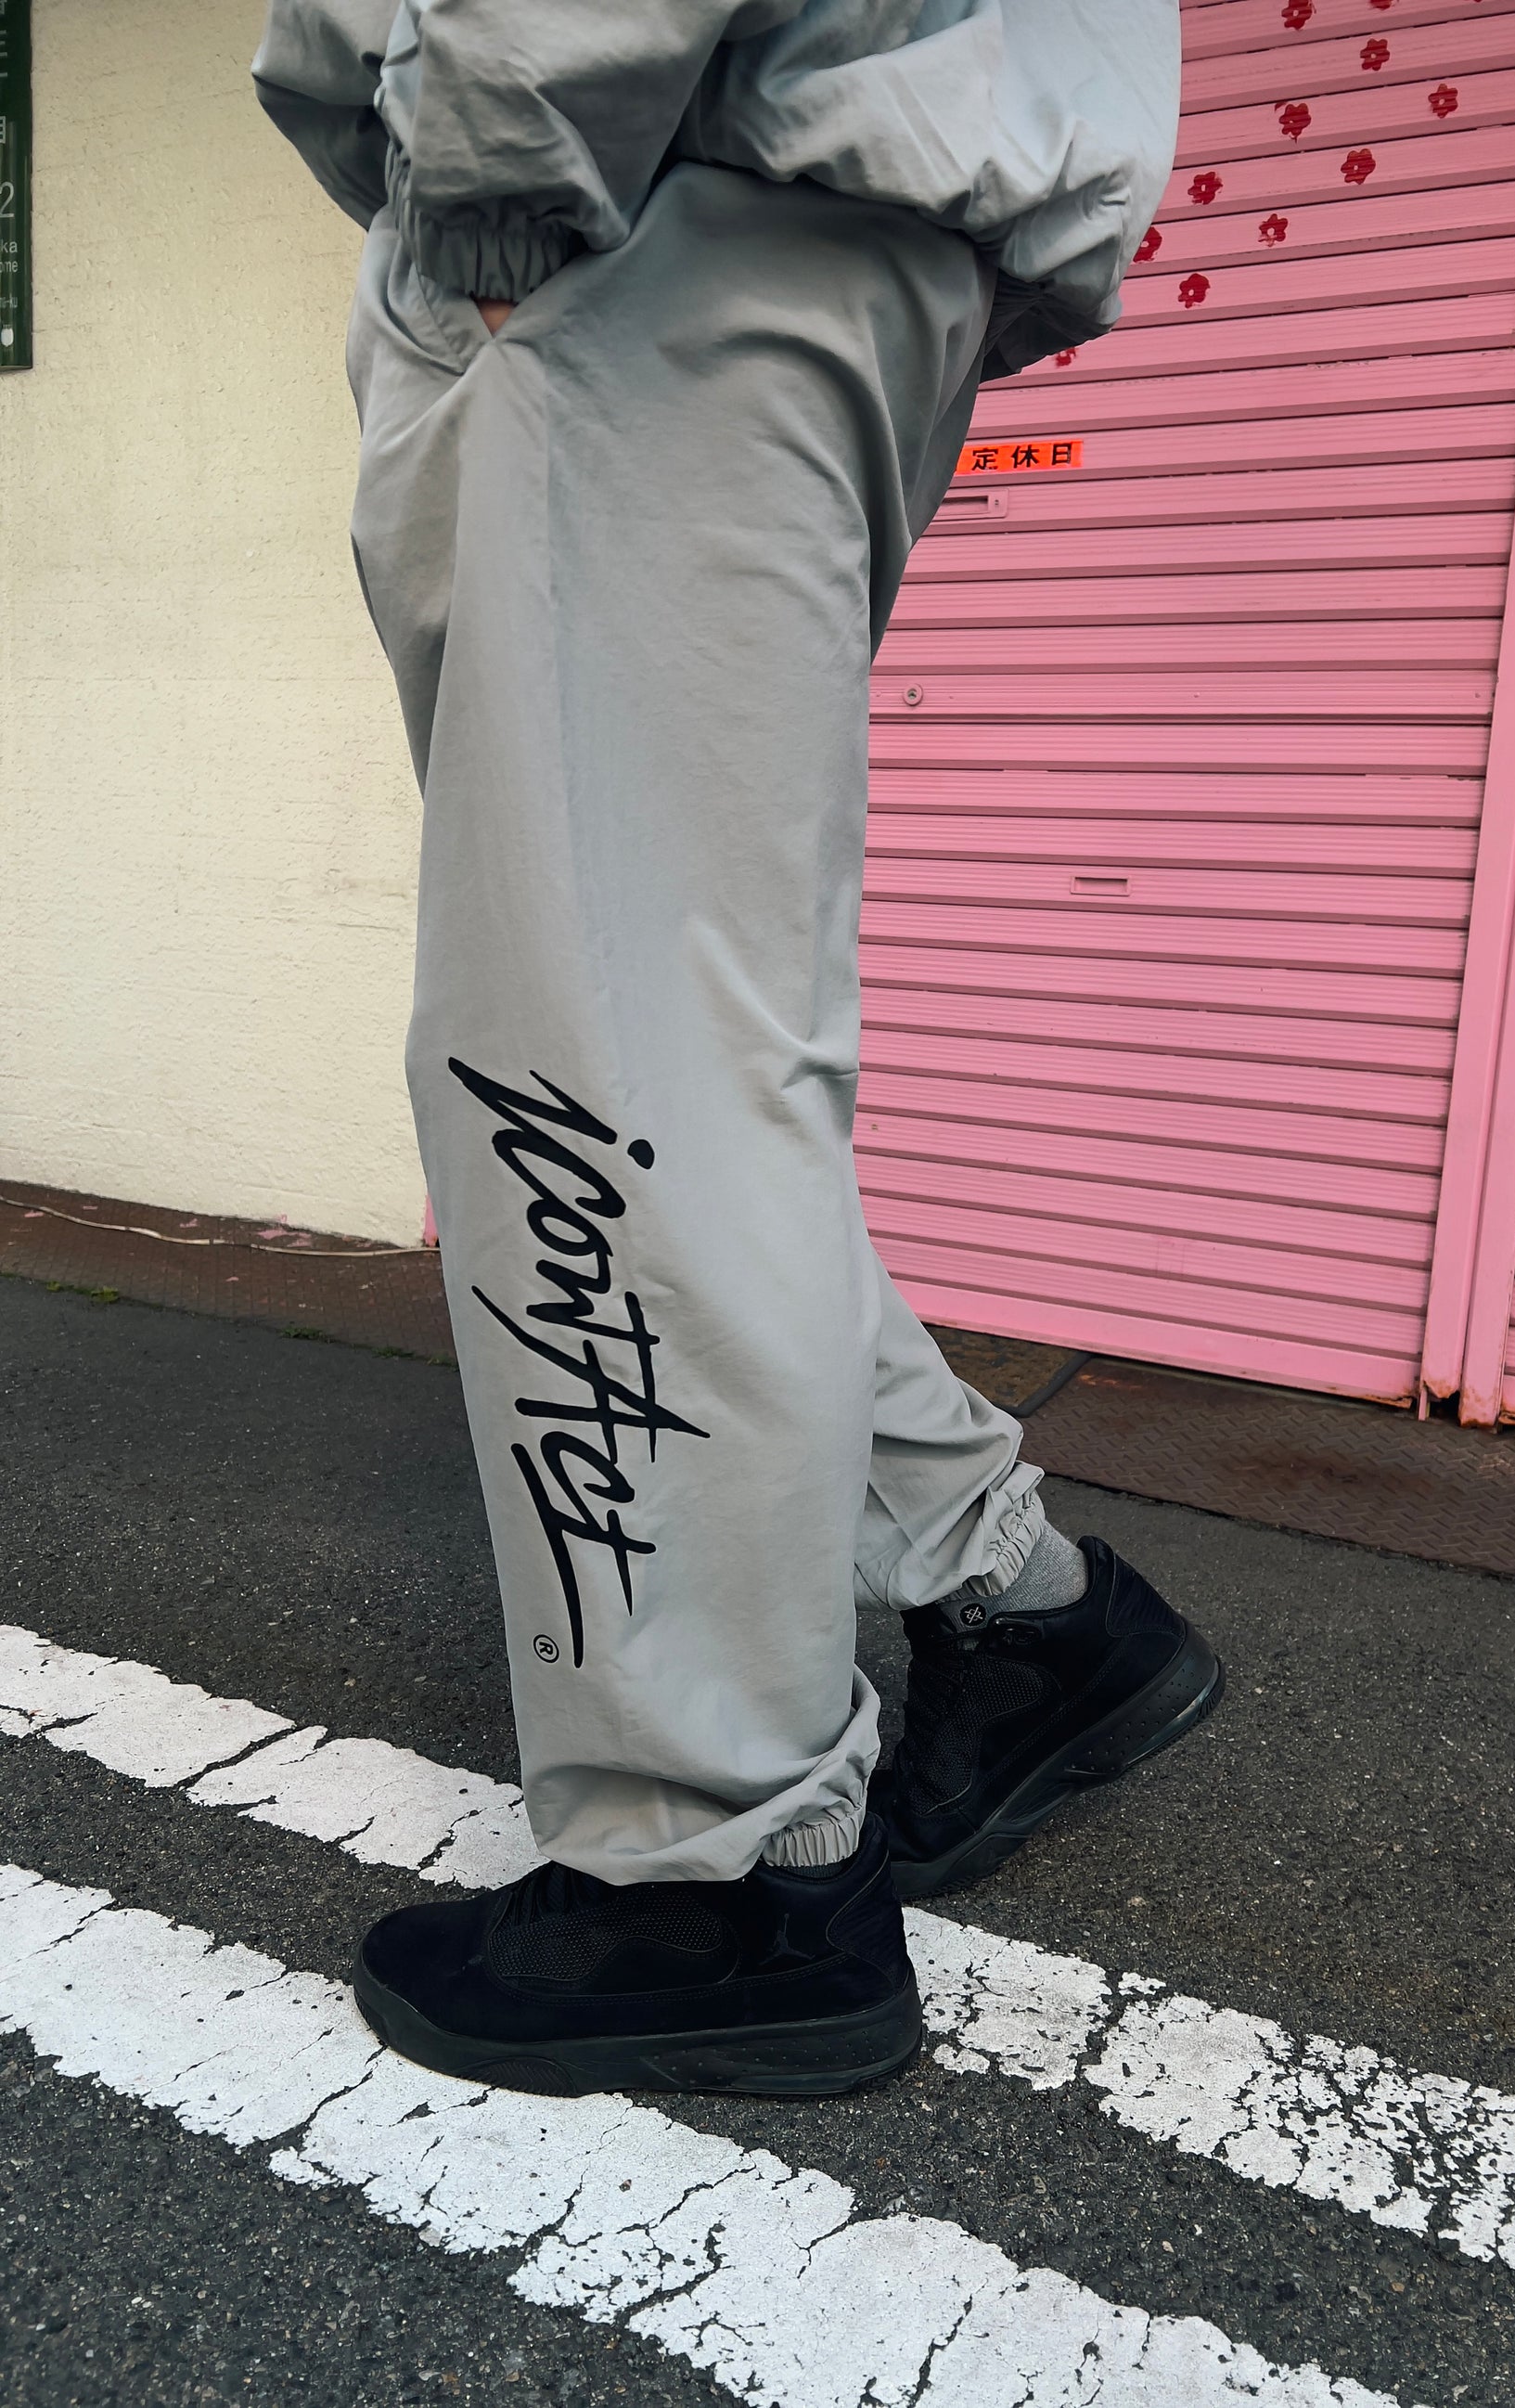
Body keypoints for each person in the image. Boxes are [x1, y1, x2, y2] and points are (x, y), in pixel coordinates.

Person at [252, 0, 1222, 2100]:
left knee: (590, 1076)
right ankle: (1019, 1610)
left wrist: (492, 163)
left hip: (622, 214)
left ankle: (720, 1872)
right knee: (675, 1061)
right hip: (775, 218)